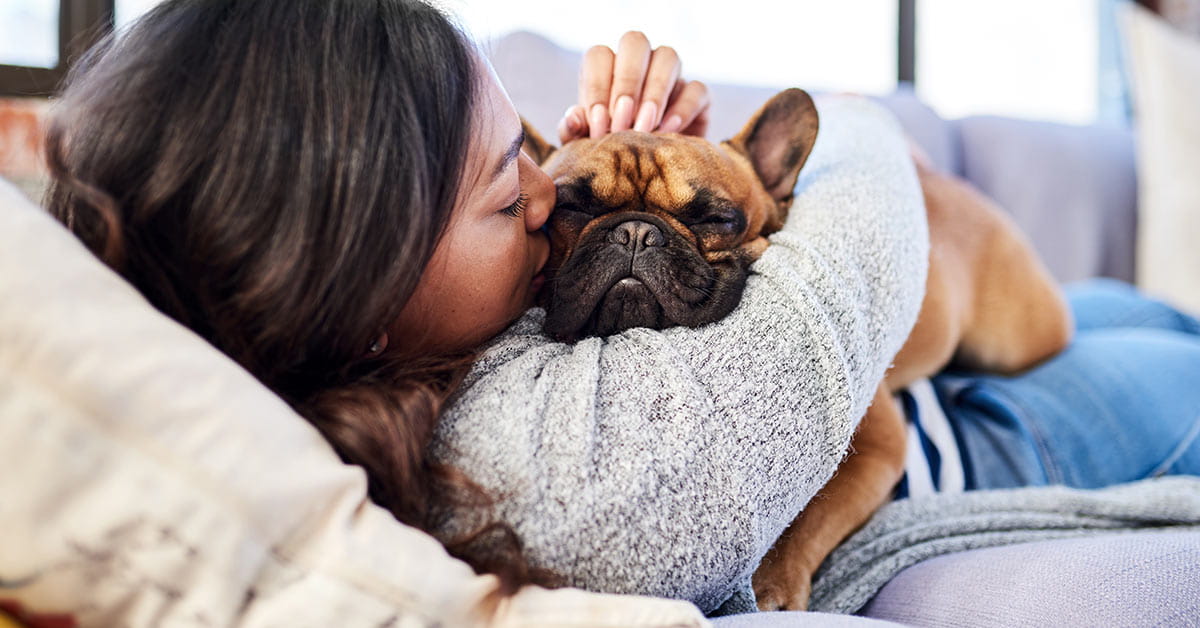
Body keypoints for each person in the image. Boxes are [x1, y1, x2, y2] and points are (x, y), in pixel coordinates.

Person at [43, 0, 1200, 617]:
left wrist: (650, 164)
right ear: (369, 280)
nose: (552, 201)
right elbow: (867, 155)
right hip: (975, 427)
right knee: (1179, 346)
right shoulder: (587, 468)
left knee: (1121, 309)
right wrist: (804, 153)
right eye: (521, 192)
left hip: (947, 353)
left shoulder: (371, 370)